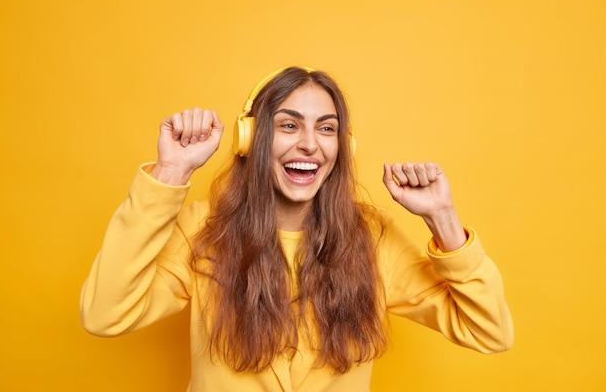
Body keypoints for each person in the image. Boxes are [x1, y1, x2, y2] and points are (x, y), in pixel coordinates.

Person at [80, 66, 513, 392]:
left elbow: (489, 331)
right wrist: (170, 172)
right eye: (289, 125)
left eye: (326, 129)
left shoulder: (373, 239)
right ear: (252, 139)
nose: (310, 143)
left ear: (342, 146)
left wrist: (443, 218)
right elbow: (104, 315)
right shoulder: (201, 230)